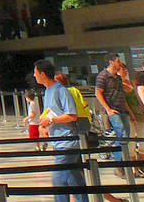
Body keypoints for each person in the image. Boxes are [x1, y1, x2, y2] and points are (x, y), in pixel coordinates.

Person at [35, 59, 89, 202]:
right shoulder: (47, 91)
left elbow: (72, 115)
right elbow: (50, 113)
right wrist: (43, 125)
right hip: (58, 141)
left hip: (68, 141)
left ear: (43, 74)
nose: (34, 76)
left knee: (58, 180)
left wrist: (51, 121)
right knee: (74, 179)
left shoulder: (61, 91)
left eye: (36, 73)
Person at [95, 54, 130, 173]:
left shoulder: (118, 78)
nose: (120, 63)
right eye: (118, 61)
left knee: (125, 136)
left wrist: (129, 111)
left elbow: (122, 94)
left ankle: (120, 160)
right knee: (122, 133)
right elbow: (98, 93)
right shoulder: (103, 76)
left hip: (122, 109)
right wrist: (108, 110)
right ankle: (119, 164)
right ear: (111, 62)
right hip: (112, 110)